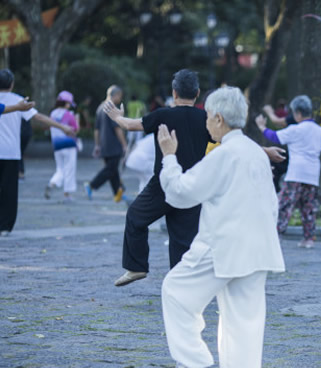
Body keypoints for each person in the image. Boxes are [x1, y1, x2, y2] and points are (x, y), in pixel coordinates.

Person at [157, 86, 285, 368]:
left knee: (175, 289)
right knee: (244, 322)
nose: (206, 125)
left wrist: (169, 157)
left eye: (208, 118)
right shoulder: (256, 152)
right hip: (258, 246)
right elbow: (272, 205)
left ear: (218, 118)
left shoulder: (225, 153)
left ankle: (192, 356)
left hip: (223, 244)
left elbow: (181, 192)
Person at [104, 69, 287, 287]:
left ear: (174, 92)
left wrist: (116, 116)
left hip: (162, 184)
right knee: (183, 239)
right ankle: (182, 282)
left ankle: (136, 267)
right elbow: (233, 140)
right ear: (198, 93)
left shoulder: (163, 115)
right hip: (193, 183)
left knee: (135, 217)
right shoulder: (205, 118)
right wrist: (265, 151)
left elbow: (129, 125)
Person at [256, 95, 321, 249]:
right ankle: (309, 238)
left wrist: (261, 127)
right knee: (309, 208)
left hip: (295, 174)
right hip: (312, 175)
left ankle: (276, 235)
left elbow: (274, 137)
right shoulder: (319, 131)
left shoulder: (294, 130)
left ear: (298, 113)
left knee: (284, 206)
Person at [0, 69, 75, 236]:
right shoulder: (18, 101)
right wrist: (63, 127)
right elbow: (39, 118)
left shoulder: (18, 102)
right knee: (9, 191)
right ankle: (5, 226)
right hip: (11, 152)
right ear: (11, 84)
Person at [85, 85, 128, 203]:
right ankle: (92, 185)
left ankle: (118, 194)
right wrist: (124, 145)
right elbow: (118, 128)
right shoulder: (112, 107)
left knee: (113, 170)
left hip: (104, 145)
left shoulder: (100, 107)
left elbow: (96, 130)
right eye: (120, 96)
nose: (120, 99)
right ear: (116, 95)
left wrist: (97, 145)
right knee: (110, 170)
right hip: (114, 145)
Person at [45, 91, 80, 202]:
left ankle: (52, 183)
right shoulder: (69, 114)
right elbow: (75, 130)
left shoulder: (53, 113)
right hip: (69, 144)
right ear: (66, 103)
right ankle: (67, 194)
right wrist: (77, 120)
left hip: (56, 144)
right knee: (69, 169)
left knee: (60, 168)